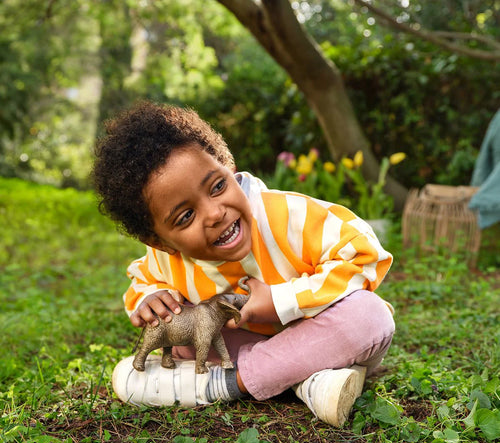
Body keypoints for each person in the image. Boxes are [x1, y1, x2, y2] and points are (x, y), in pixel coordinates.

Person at [92, 101, 395, 426]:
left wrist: (282, 301)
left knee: (369, 317)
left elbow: (364, 251)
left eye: (218, 186)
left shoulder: (288, 216)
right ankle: (309, 382)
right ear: (161, 242)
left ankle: (230, 384)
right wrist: (151, 299)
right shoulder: (167, 258)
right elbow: (142, 280)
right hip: (249, 342)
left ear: (228, 166)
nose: (215, 213)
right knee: (177, 333)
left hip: (320, 332)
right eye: (186, 216)